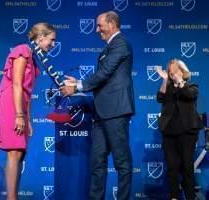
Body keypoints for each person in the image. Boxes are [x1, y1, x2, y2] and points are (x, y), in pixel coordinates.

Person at [60, 11, 134, 200]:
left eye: (100, 25)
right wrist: (78, 83)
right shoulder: (109, 47)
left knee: (122, 163)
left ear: (111, 24)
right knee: (97, 162)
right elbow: (102, 79)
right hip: (100, 113)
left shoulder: (120, 44)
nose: (96, 29)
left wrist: (77, 87)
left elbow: (105, 73)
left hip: (116, 110)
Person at [0, 23, 56, 200]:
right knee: (14, 151)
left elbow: (27, 92)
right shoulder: (23, 50)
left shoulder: (34, 57)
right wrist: (19, 115)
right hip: (11, 103)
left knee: (20, 153)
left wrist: (28, 119)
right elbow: (17, 84)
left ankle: (14, 196)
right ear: (41, 37)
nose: (53, 44)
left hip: (20, 104)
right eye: (51, 40)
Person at [156, 59, 202, 200]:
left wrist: (180, 82)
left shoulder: (191, 86)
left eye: (175, 71)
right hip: (169, 133)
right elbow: (160, 97)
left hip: (187, 133)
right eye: (170, 72)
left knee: (187, 167)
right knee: (172, 167)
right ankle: (174, 196)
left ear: (182, 71)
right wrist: (164, 80)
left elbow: (189, 95)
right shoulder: (168, 88)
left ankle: (189, 197)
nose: (173, 74)